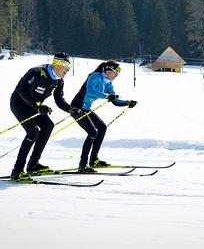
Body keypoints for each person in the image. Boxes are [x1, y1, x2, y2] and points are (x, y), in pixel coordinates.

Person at [9, 52, 72, 180]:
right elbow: (21, 90)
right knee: (33, 132)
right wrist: (38, 106)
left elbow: (59, 101)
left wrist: (72, 110)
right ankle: (17, 170)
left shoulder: (58, 81)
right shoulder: (36, 72)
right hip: (19, 104)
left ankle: (33, 164)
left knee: (48, 126)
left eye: (69, 66)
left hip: (34, 106)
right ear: (56, 64)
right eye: (66, 65)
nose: (68, 69)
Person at [70, 60, 137, 173]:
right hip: (77, 108)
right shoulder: (94, 77)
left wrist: (127, 102)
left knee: (102, 127)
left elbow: (114, 100)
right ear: (107, 70)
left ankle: (94, 160)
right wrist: (107, 96)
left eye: (117, 75)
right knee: (92, 132)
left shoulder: (108, 83)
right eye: (115, 73)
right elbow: (90, 92)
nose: (116, 76)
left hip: (86, 109)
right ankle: (82, 165)